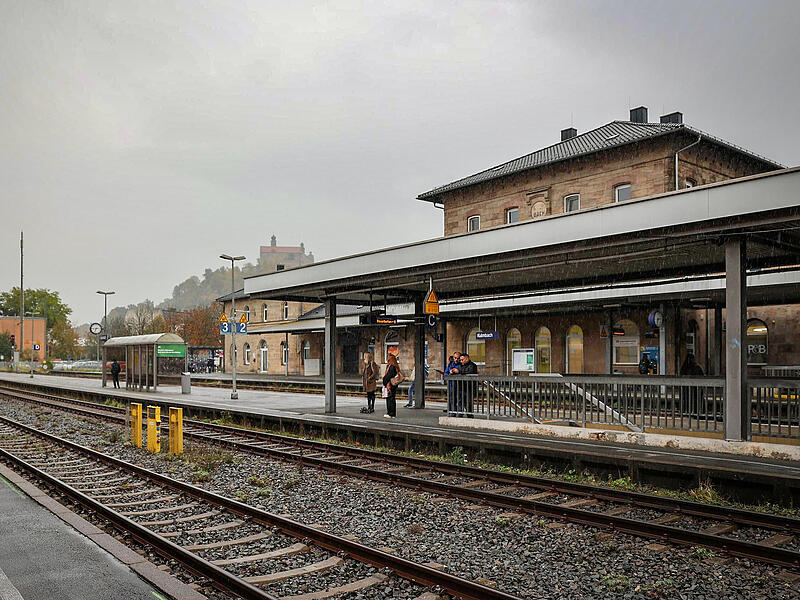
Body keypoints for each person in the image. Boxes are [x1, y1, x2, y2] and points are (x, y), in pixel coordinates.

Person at [680, 353, 705, 417]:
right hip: (696, 390)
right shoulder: (697, 368)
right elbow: (702, 377)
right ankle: (697, 413)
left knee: (687, 402)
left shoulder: (683, 368)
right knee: (697, 402)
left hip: (686, 391)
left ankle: (687, 413)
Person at [382, 351, 403, 419]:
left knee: (389, 399)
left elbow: (388, 376)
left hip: (390, 385)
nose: (387, 360)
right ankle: (393, 413)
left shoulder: (391, 367)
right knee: (392, 399)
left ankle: (390, 413)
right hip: (393, 385)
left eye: (388, 359)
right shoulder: (395, 366)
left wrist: (384, 381)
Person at [457, 352, 478, 417]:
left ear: (466, 359)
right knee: (460, 401)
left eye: (462, 360)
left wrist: (459, 372)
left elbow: (470, 372)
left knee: (468, 402)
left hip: (469, 387)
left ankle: (470, 415)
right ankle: (460, 414)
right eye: (460, 360)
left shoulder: (472, 365)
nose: (461, 361)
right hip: (461, 386)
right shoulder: (461, 365)